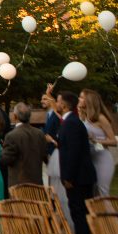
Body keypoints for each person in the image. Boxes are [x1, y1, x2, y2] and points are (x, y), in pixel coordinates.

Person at [56, 90, 96, 234]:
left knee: (80, 212)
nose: (56, 104)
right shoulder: (70, 121)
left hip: (78, 178)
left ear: (64, 105)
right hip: (78, 176)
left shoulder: (72, 123)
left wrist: (68, 178)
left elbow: (73, 153)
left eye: (58, 101)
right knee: (78, 211)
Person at [80, 89, 117, 196]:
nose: (79, 99)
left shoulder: (101, 118)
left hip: (102, 159)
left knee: (102, 192)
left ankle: (109, 213)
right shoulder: (84, 118)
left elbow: (114, 141)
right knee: (93, 194)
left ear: (89, 101)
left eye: (81, 97)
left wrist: (94, 140)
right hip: (89, 159)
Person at [41, 87, 71, 222]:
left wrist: (51, 140)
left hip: (57, 153)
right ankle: (54, 210)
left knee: (58, 186)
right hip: (51, 153)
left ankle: (62, 214)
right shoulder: (49, 115)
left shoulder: (58, 116)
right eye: (42, 99)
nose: (42, 101)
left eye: (45, 99)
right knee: (52, 184)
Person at [0, 102, 47, 187]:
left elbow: (6, 160)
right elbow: (44, 155)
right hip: (37, 183)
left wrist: (1, 151)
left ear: (15, 116)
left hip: (19, 185)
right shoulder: (39, 133)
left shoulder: (11, 135)